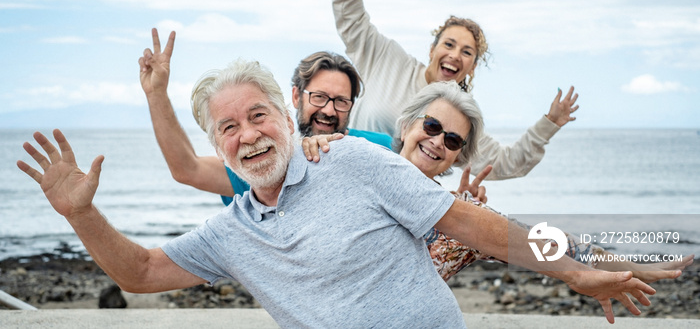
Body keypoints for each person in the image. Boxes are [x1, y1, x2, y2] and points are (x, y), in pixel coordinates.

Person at [19, 59, 657, 326]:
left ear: (287, 111)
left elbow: (469, 223)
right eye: (228, 128)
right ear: (217, 141)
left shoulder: (352, 158)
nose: (248, 136)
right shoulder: (231, 230)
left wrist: (576, 271)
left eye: (259, 116)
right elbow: (141, 270)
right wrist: (82, 214)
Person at [305, 81, 693, 283]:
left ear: (457, 157)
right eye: (433, 126)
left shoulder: (460, 222)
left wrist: (630, 269)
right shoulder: (358, 161)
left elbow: (552, 244)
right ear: (407, 126)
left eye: (453, 140)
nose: (438, 141)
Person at [333, 0, 579, 180]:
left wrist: (550, 123)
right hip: (346, 176)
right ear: (432, 49)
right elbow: (350, 18)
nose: (454, 55)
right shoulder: (388, 59)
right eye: (448, 44)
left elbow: (506, 164)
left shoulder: (458, 118)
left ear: (472, 67)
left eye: (466, 52)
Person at [139, 28, 390, 205]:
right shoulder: (263, 159)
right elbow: (187, 169)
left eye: (341, 101)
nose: (328, 110)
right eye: (319, 97)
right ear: (295, 97)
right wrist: (156, 94)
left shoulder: (381, 147)